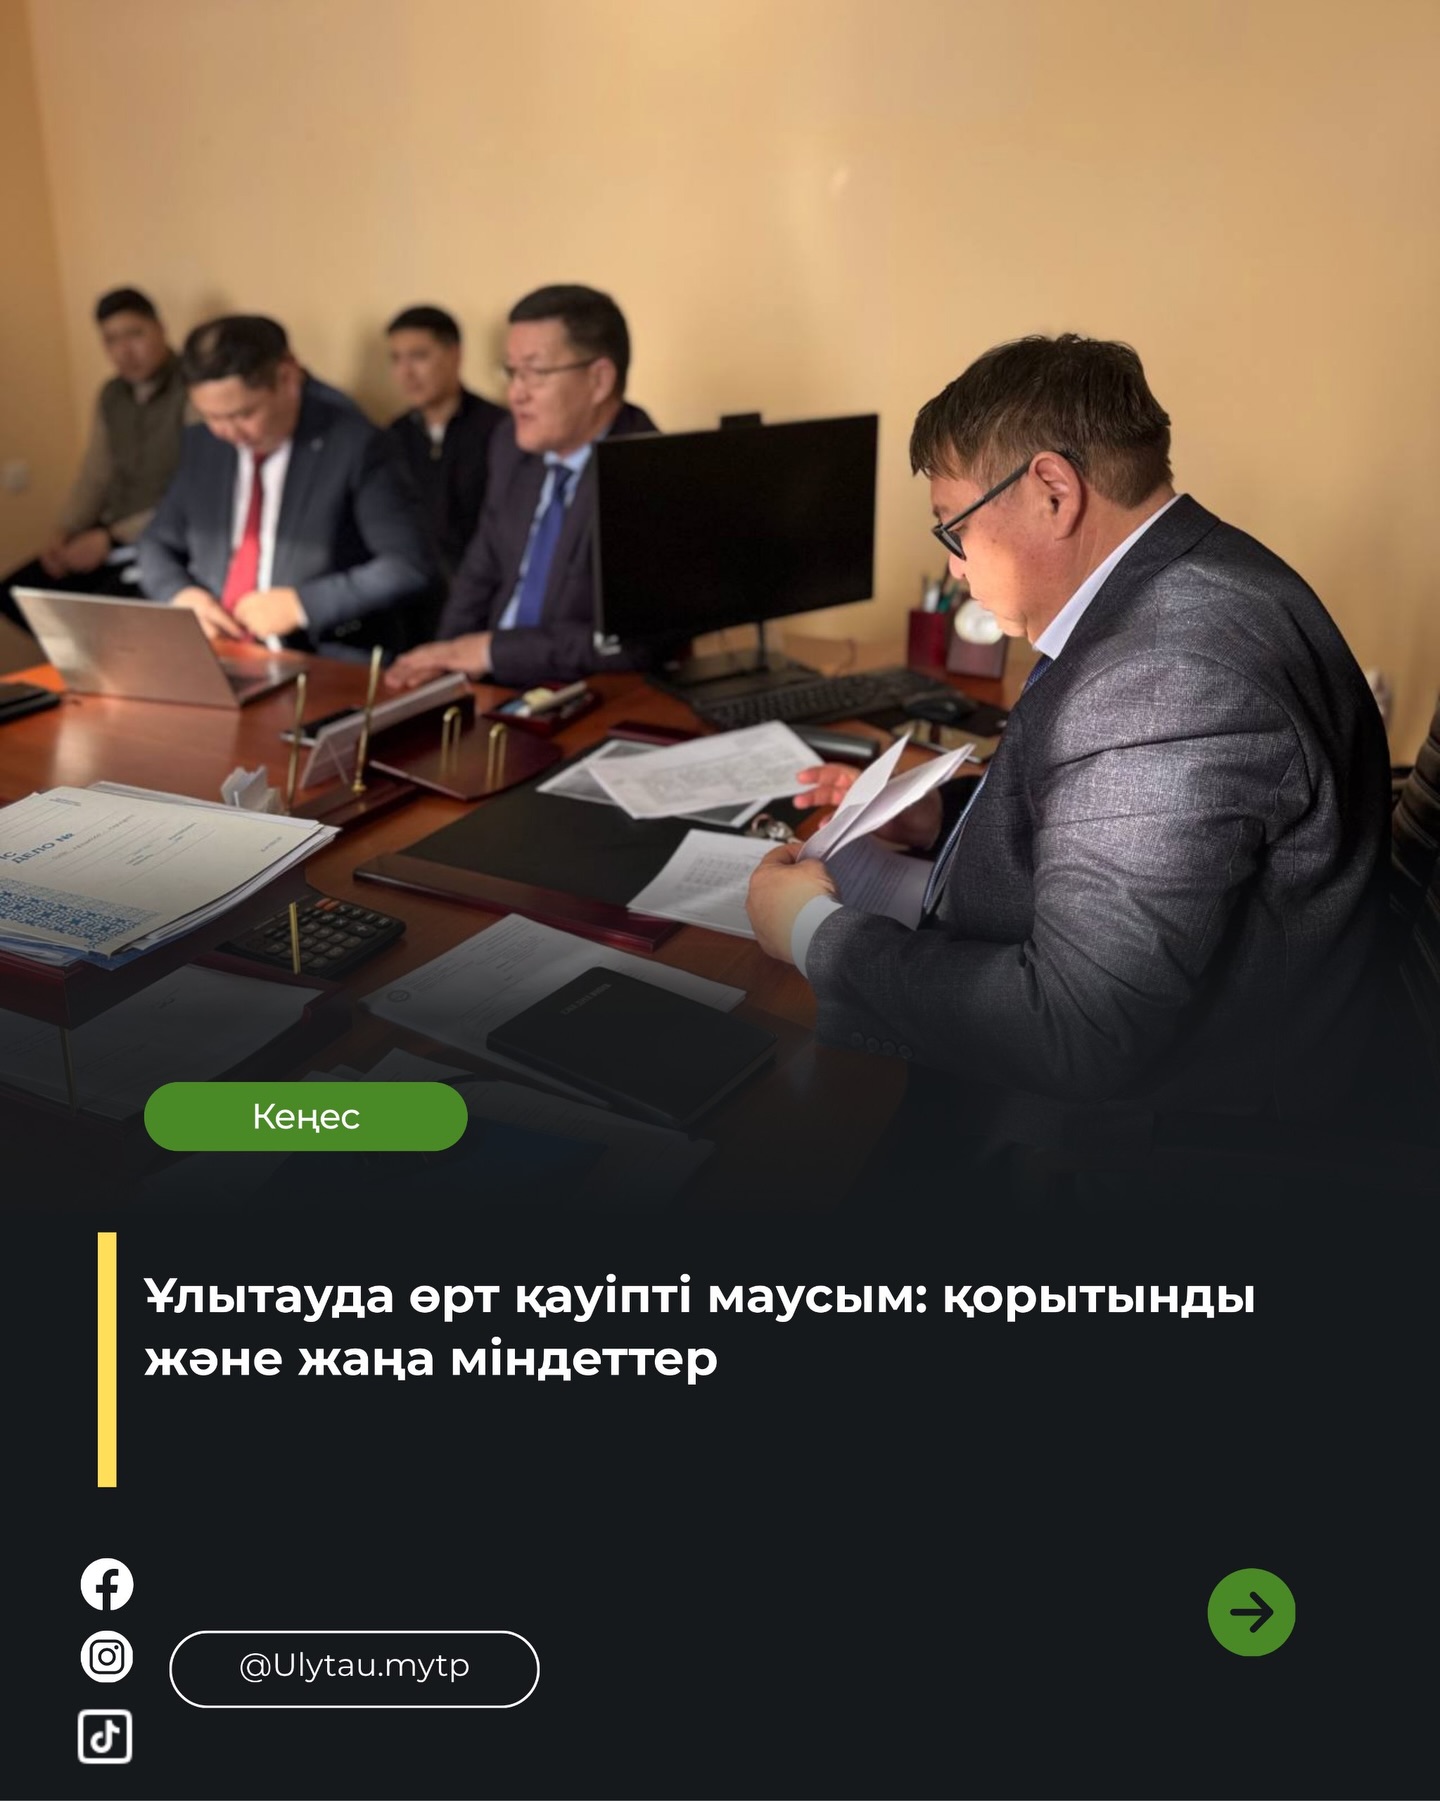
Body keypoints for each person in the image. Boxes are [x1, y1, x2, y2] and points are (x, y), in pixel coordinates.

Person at [746, 334, 1390, 1172]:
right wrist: (942, 818)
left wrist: (810, 932)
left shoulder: (1169, 674)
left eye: (955, 527)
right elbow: (1121, 807)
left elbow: (1077, 1028)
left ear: (1053, 489)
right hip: (1190, 1071)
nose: (954, 565)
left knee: (769, 1136)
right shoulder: (1199, 570)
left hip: (1138, 1154)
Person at [385, 284, 657, 692]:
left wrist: (492, 651)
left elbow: (631, 645)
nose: (515, 394)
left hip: (580, 694)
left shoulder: (645, 472)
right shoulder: (510, 445)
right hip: (491, 685)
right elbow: (481, 570)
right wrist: (442, 660)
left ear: (599, 380)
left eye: (535, 373)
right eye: (511, 372)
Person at [138, 314, 436, 658]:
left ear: (287, 377)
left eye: (243, 414)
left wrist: (302, 605)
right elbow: (156, 543)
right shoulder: (204, 443)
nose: (226, 432)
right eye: (211, 417)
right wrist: (181, 595)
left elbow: (407, 565)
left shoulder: (356, 445)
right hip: (217, 651)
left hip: (315, 657)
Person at [2, 287, 186, 630]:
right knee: (18, 594)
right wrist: (64, 532)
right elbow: (95, 474)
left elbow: (196, 493)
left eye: (135, 334)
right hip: (109, 530)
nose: (125, 351)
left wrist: (111, 538)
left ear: (160, 329)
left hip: (160, 536)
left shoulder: (191, 388)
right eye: (112, 340)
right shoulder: (111, 395)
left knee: (103, 615)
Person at [385, 305, 506, 584]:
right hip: (413, 587)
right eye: (396, 359)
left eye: (419, 356)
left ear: (455, 355)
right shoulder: (393, 437)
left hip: (482, 583)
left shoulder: (499, 429)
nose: (406, 372)